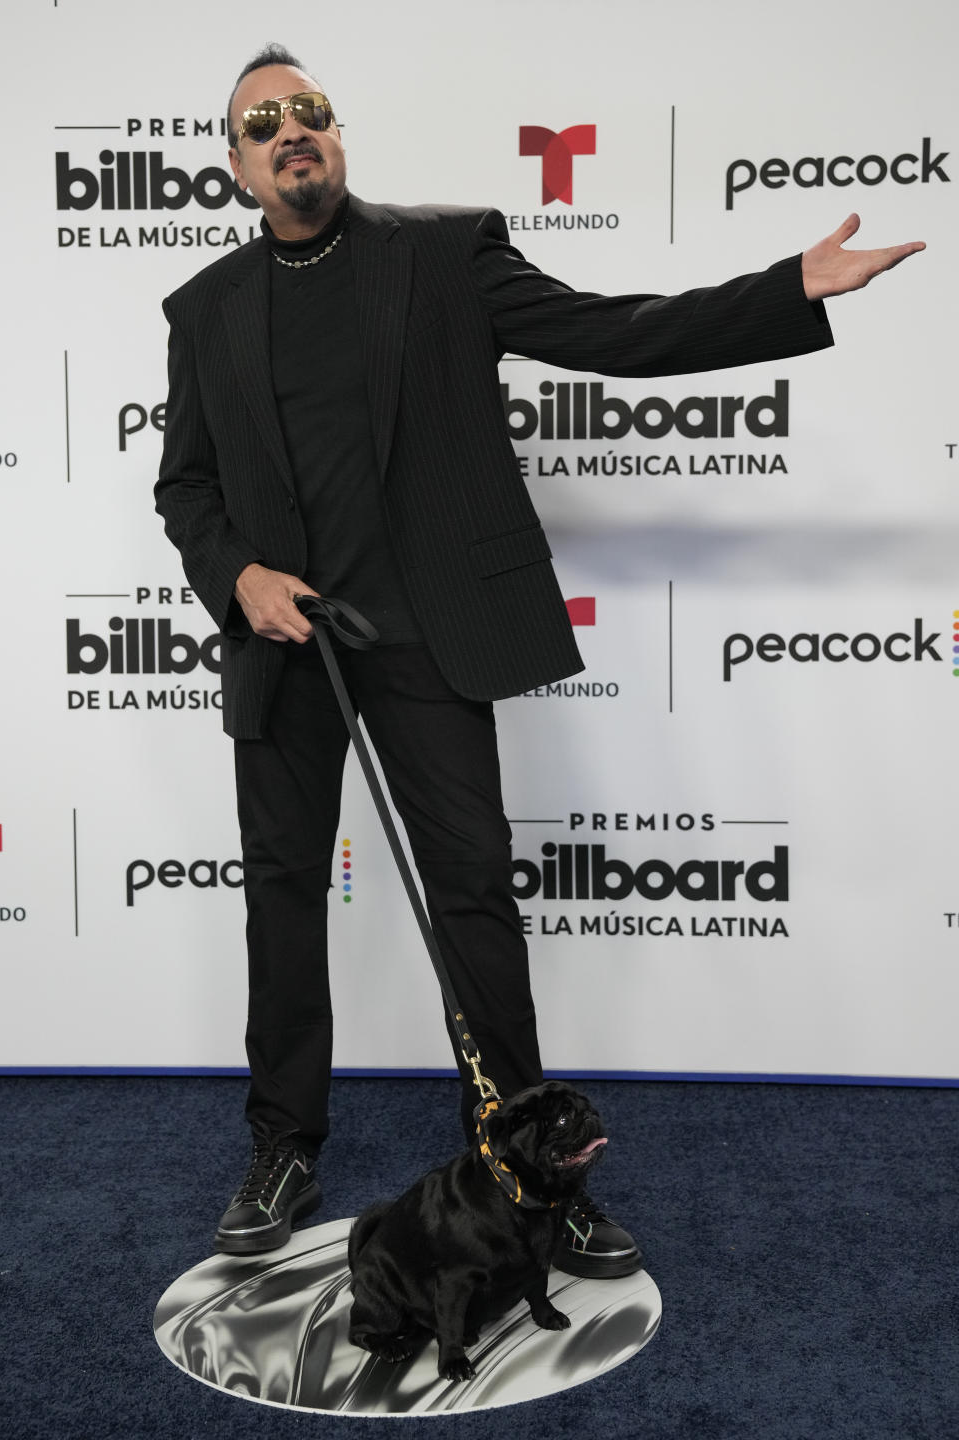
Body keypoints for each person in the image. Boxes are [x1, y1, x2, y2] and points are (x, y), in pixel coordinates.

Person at [155, 43, 924, 1272]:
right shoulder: (203, 312)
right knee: (284, 904)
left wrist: (794, 288)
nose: (292, 132)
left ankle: (530, 1165)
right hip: (281, 648)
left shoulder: (444, 257)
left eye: (310, 112)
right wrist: (238, 578)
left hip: (426, 639)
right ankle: (283, 1143)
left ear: (336, 136)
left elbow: (618, 334)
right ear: (238, 167)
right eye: (264, 124)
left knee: (475, 905)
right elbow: (185, 486)